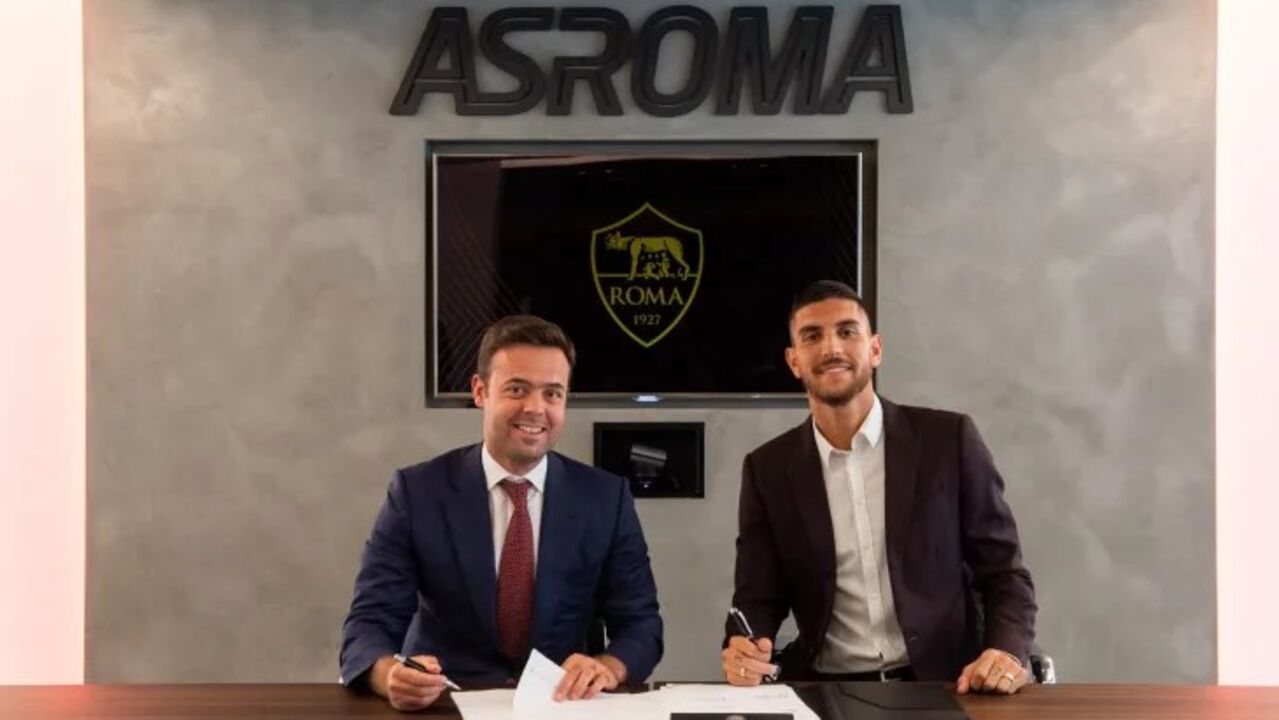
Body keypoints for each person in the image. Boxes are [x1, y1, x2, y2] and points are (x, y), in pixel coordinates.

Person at [722, 280, 1037, 695]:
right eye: (812, 336)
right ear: (794, 360)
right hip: (827, 690)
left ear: (875, 349)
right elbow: (756, 598)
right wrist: (743, 647)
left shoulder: (948, 441)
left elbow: (1004, 573)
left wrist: (1006, 651)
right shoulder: (768, 469)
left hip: (948, 686)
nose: (831, 348)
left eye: (847, 331)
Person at [341, 315, 662, 711]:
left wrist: (608, 667)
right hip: (446, 704)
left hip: (561, 706)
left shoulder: (605, 499)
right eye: (517, 389)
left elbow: (641, 625)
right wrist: (390, 675)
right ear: (480, 391)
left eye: (552, 394)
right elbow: (370, 622)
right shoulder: (417, 492)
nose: (535, 408)